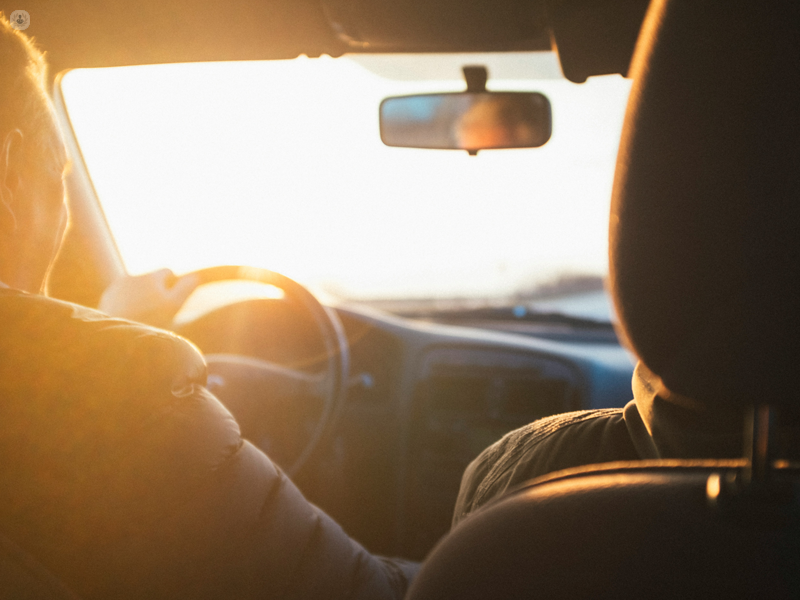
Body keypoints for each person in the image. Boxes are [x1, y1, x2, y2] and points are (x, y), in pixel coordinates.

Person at [0, 15, 416, 599]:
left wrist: (110, 327)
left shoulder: (59, 394)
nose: (65, 215)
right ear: (10, 183)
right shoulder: (133, 402)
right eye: (58, 177)